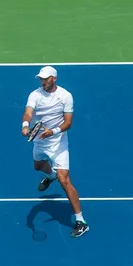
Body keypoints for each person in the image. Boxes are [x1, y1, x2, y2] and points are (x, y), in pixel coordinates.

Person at [21, 66, 90, 238]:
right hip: (39, 139)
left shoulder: (65, 96)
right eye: (41, 79)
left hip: (58, 142)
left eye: (45, 78)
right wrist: (25, 126)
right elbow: (28, 113)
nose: (42, 81)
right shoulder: (35, 95)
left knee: (64, 180)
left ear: (54, 78)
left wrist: (53, 132)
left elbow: (68, 123)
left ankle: (81, 221)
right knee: (38, 166)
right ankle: (50, 175)